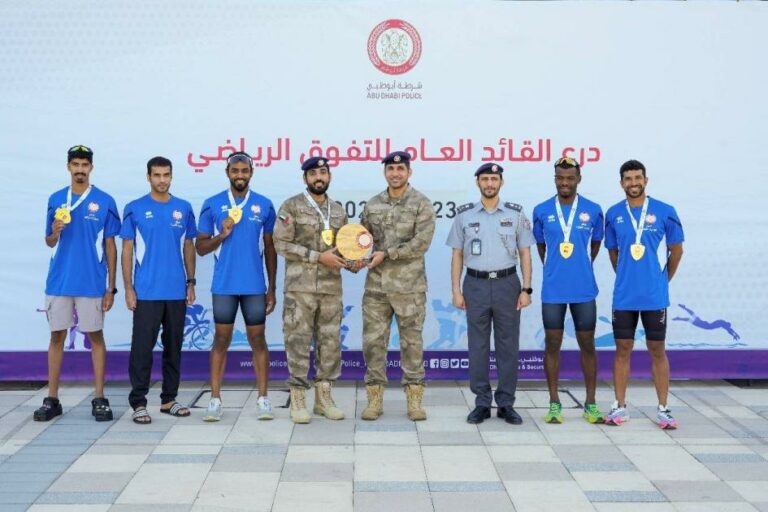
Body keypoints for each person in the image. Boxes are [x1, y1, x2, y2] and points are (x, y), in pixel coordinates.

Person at [36, 145, 120, 422]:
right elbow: (49, 241)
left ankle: (99, 398)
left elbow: (111, 245)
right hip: (59, 281)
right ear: (68, 167)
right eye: (76, 164)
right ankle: (52, 399)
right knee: (56, 337)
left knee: (95, 337)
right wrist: (54, 231)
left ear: (91, 168)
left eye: (85, 165)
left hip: (91, 282)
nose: (80, 169)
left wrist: (111, 287)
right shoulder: (56, 199)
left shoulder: (105, 201)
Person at [446, 163, 534, 425]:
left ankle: (506, 403)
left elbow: (525, 253)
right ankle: (482, 403)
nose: (489, 183)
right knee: (478, 346)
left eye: (494, 179)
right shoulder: (464, 215)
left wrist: (526, 288)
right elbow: (457, 255)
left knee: (508, 346)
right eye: (485, 179)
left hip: (508, 284)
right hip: (475, 285)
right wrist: (456, 290)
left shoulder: (516, 214)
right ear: (478, 183)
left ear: (501, 182)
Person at [195, 152, 277, 422]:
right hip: (224, 286)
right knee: (221, 340)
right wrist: (222, 235)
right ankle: (215, 400)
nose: (240, 175)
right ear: (227, 173)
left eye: (244, 171)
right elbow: (201, 247)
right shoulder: (212, 204)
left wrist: (272, 288)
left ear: (251, 172)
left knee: (258, 340)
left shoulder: (264, 205)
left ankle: (263, 399)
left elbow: (270, 248)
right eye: (235, 171)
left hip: (254, 286)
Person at [604, 159, 684, 429]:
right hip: (624, 296)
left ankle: (663, 409)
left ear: (646, 180)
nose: (633, 183)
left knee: (657, 350)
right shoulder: (613, 213)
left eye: (638, 178)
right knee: (622, 349)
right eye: (628, 179)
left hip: (654, 296)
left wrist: (662, 281)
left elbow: (677, 250)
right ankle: (619, 406)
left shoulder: (665, 211)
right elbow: (613, 253)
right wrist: (627, 277)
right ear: (621, 183)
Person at [274, 156, 353, 423]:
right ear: (305, 178)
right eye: (313, 174)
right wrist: (318, 257)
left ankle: (324, 399)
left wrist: (354, 259)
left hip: (331, 289)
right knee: (297, 342)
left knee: (330, 343)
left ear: (329, 176)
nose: (318, 177)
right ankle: (298, 399)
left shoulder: (338, 211)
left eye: (322, 172)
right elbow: (281, 244)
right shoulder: (291, 206)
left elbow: (345, 247)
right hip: (300, 289)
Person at [120, 156, 197, 424]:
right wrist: (128, 288)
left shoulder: (184, 208)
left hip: (176, 291)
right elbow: (127, 250)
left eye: (166, 175)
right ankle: (139, 403)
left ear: (171, 176)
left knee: (173, 348)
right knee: (142, 349)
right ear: (148, 177)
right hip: (146, 292)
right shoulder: (135, 208)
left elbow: (188, 246)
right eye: (157, 175)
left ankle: (169, 400)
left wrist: (191, 282)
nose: (162, 180)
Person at [359, 151, 435, 421]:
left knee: (412, 344)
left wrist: (387, 254)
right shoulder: (372, 205)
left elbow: (421, 244)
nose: (395, 173)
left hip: (409, 288)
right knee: (373, 344)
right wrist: (354, 257)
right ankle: (374, 400)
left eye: (400, 169)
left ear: (409, 172)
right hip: (376, 288)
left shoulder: (421, 204)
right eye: (390, 169)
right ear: (385, 173)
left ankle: (414, 401)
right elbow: (361, 240)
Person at [532, 156, 605, 424]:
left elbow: (595, 245)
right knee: (552, 344)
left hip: (584, 290)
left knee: (588, 344)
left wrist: (580, 266)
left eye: (570, 178)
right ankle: (554, 403)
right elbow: (542, 247)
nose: (565, 182)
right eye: (560, 178)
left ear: (578, 179)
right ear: (555, 179)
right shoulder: (541, 210)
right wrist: (556, 268)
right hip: (553, 290)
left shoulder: (593, 210)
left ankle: (591, 404)